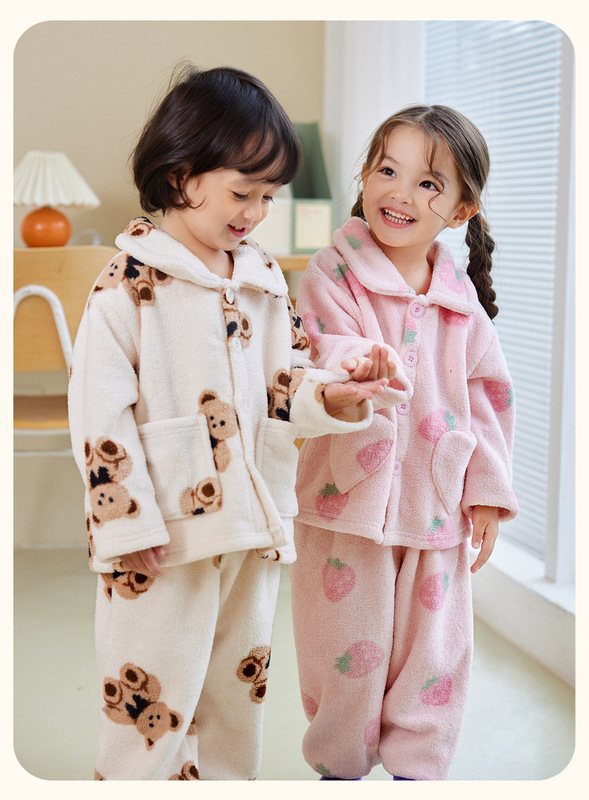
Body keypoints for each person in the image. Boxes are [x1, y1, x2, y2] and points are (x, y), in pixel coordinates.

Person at [67, 64, 398, 781]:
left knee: (234, 698)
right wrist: (125, 527)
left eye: (268, 196)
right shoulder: (126, 285)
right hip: (163, 538)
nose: (255, 211)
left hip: (253, 524)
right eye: (242, 193)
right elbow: (98, 414)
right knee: (151, 701)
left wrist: (336, 397)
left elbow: (286, 385)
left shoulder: (264, 281)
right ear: (180, 176)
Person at [290, 105, 519, 781]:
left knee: (432, 660)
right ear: (363, 175)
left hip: (435, 506)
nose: (401, 193)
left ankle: (417, 775)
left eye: (428, 183)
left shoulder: (461, 304)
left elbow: (487, 400)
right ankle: (339, 770)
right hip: (344, 503)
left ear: (460, 210)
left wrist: (485, 492)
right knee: (343, 653)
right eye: (387, 171)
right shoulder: (332, 272)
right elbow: (319, 345)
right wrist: (358, 364)